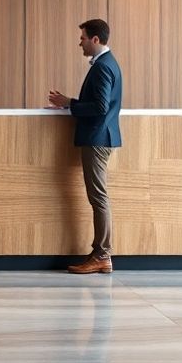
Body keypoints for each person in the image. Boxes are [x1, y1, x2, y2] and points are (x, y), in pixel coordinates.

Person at [47, 18, 123, 274]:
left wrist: (69, 102)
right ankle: (101, 253)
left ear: (95, 39)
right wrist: (69, 102)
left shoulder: (102, 67)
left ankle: (103, 254)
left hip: (97, 138)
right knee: (98, 196)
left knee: (98, 197)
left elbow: (100, 107)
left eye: (82, 38)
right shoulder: (107, 64)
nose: (79, 42)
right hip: (100, 137)